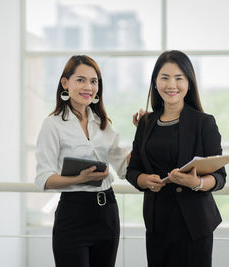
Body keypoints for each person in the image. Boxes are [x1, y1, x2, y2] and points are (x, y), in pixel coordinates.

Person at [35, 55, 142, 267]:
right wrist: (79, 178)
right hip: (73, 214)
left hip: (107, 212)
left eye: (94, 81)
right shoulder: (53, 125)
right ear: (65, 83)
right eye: (81, 80)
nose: (88, 87)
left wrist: (143, 134)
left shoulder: (102, 123)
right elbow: (44, 179)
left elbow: (123, 167)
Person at [126, 50, 226, 267]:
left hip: (194, 225)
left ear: (189, 83)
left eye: (179, 78)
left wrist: (196, 183)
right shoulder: (145, 123)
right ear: (154, 82)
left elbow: (219, 177)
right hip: (157, 223)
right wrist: (146, 181)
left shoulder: (204, 123)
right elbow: (133, 170)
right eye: (164, 78)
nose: (172, 85)